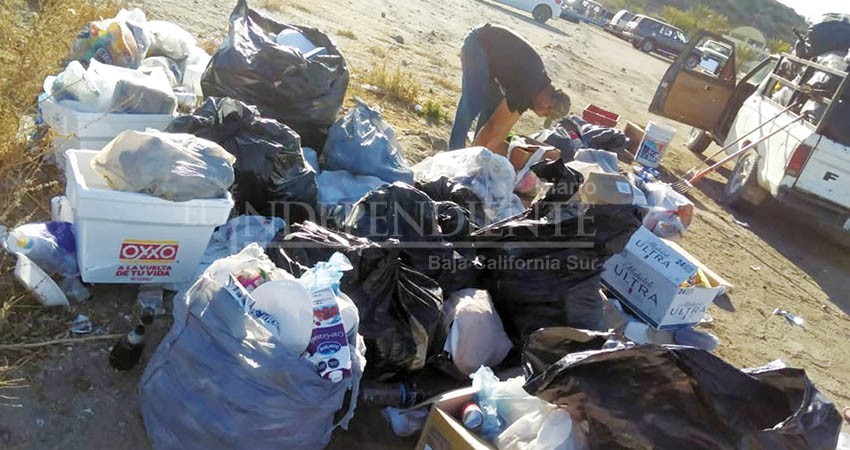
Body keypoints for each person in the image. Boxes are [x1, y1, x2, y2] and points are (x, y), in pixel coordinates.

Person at [449, 24, 571, 153]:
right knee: (472, 103)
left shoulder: (534, 93)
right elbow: (492, 126)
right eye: (546, 114)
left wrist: (487, 154)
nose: (540, 115)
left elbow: (503, 128)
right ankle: (454, 153)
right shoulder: (528, 87)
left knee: (492, 109)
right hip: (479, 43)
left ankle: (475, 152)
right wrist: (475, 160)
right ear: (548, 103)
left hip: (493, 61)